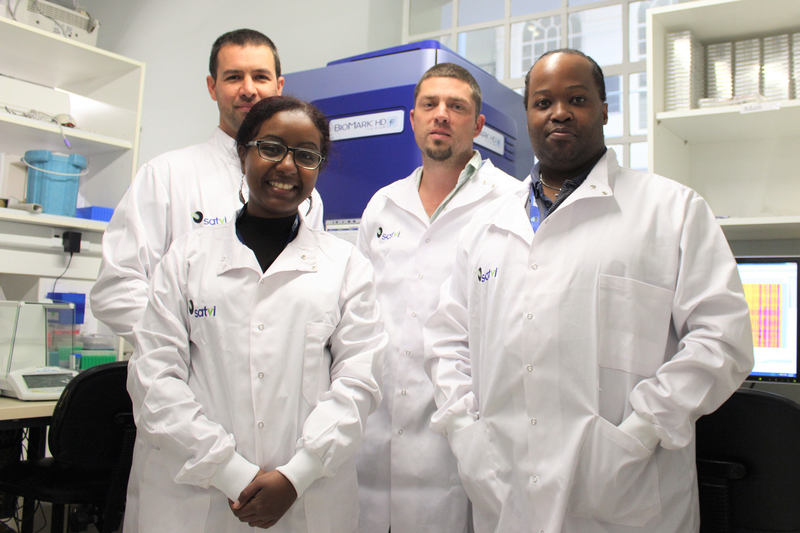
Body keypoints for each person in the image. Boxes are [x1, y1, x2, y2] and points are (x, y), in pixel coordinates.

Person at [423, 49, 754, 533]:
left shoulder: (671, 211)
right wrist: (464, 431)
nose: (559, 112)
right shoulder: (484, 227)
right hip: (503, 486)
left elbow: (722, 339)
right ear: (528, 115)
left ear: (603, 108)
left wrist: (641, 432)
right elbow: (447, 340)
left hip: (628, 489)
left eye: (576, 99)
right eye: (542, 102)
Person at [124, 96, 386, 533]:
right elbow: (154, 381)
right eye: (271, 148)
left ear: (318, 167)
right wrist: (230, 473)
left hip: (307, 500)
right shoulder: (187, 259)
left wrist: (296, 475)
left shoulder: (346, 266)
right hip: (198, 501)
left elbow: (360, 383)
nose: (287, 166)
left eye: (306, 155)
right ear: (243, 151)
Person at [355, 63, 524, 533]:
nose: (441, 115)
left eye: (456, 106)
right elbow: (356, 318)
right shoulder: (382, 205)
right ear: (413, 119)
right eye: (430, 105)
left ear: (479, 124)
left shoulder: (511, 204)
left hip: (461, 436)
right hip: (376, 431)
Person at [90, 29, 324, 346]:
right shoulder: (166, 176)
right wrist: (187, 345)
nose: (248, 89)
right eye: (233, 77)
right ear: (212, 87)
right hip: (186, 377)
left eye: (260, 76)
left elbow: (313, 290)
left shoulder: (304, 196)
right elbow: (117, 287)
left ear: (278, 87)